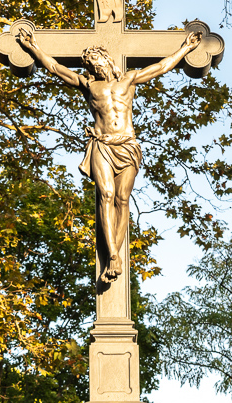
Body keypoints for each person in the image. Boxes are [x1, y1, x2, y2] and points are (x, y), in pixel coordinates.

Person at [13, 27, 205, 284]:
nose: (95, 67)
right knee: (107, 195)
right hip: (102, 145)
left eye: (97, 61)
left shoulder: (129, 79)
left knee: (122, 199)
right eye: (91, 64)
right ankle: (113, 255)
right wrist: (33, 48)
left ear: (107, 60)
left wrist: (185, 48)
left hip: (127, 146)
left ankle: (116, 251)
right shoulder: (89, 85)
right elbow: (57, 68)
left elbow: (160, 67)